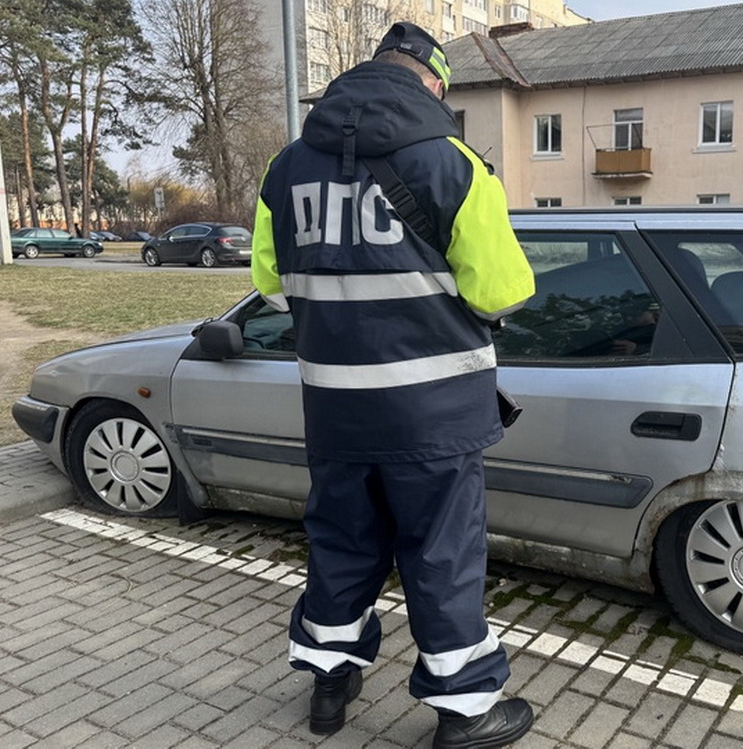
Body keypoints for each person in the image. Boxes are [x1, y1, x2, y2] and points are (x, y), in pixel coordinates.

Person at [250, 21, 536, 749]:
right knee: (440, 555)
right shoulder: (456, 164)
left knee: (341, 544)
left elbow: (272, 288)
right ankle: (467, 709)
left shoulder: (286, 168)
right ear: (433, 82)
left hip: (335, 413)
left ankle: (329, 683)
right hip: (433, 416)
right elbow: (502, 292)